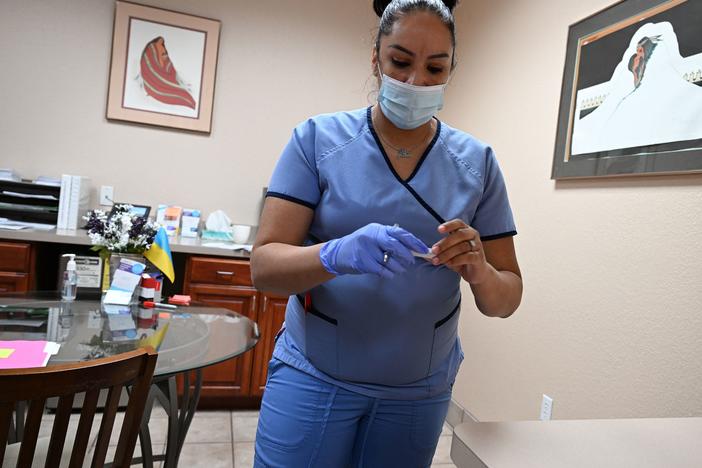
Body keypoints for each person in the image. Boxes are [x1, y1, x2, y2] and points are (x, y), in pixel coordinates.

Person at [251, 0, 522, 466]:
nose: (416, 82)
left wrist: (479, 270)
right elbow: (265, 270)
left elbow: (507, 298)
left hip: (418, 389)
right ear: (375, 58)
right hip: (316, 376)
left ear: (452, 69)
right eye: (400, 62)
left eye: (436, 68)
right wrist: (335, 255)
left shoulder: (477, 163)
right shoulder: (316, 141)